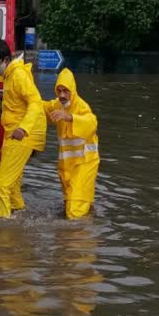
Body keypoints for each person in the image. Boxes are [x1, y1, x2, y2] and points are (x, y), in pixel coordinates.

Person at [0, 39, 46, 218]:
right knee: (11, 186)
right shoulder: (10, 75)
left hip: (22, 134)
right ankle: (19, 220)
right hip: (14, 133)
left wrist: (24, 128)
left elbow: (35, 102)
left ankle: (0, 229)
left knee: (0, 185)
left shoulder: (18, 75)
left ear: (6, 59)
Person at [43, 68, 100, 219]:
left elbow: (92, 123)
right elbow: (40, 107)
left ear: (72, 90)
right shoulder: (56, 105)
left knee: (74, 210)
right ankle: (87, 224)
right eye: (59, 91)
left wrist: (69, 117)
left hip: (84, 163)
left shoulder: (82, 106)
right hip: (67, 165)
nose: (62, 95)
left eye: (65, 91)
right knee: (73, 202)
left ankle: (75, 239)